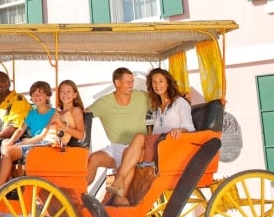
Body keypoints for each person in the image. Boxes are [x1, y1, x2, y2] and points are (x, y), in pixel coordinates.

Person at [108, 67, 195, 205]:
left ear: (168, 83)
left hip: (173, 147)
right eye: (154, 82)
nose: (157, 85)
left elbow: (190, 128)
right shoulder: (157, 108)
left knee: (139, 137)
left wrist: (180, 129)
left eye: (161, 81)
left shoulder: (180, 102)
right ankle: (120, 197)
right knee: (127, 152)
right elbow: (155, 134)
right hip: (159, 147)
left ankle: (119, 181)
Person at [84, 66, 150, 193]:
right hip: (115, 148)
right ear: (117, 83)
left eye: (132, 81)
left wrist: (181, 96)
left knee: (127, 155)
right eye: (128, 81)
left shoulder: (142, 97)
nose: (131, 84)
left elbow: (163, 100)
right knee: (94, 158)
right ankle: (79, 193)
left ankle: (119, 191)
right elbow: (84, 114)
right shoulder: (104, 103)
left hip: (138, 148)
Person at [0, 80, 57, 192]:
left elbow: (42, 135)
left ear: (47, 96)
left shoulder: (53, 113)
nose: (37, 97)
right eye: (34, 94)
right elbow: (20, 129)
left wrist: (22, 143)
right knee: (5, 143)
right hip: (33, 142)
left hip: (43, 145)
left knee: (8, 151)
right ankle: (6, 182)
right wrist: (11, 141)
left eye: (40, 93)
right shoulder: (32, 114)